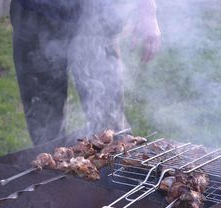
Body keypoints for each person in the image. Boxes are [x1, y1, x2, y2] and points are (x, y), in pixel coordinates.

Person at [10, 0, 161, 145]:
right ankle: (56, 169)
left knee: (111, 127)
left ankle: (116, 169)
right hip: (34, 16)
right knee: (45, 130)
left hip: (96, 17)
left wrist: (147, 11)